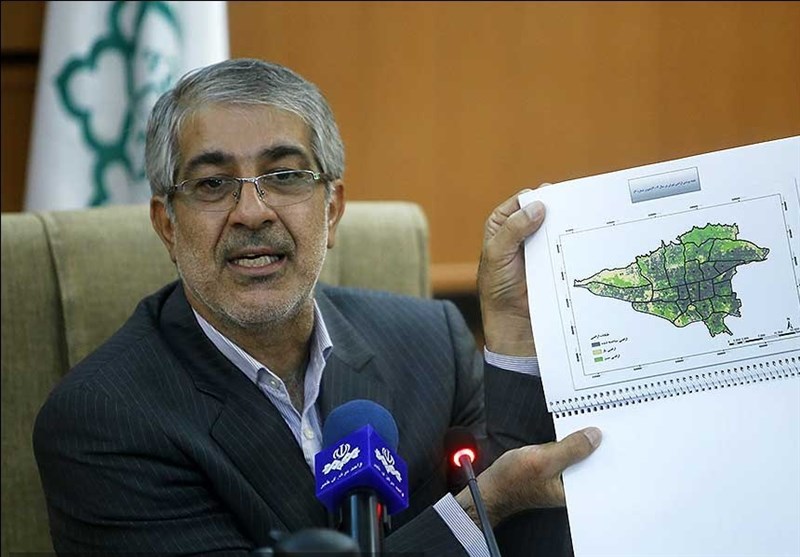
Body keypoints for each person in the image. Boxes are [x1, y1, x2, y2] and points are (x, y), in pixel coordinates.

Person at [33, 58, 600, 556]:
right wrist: (480, 510)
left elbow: (529, 540)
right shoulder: (102, 419)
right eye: (211, 184)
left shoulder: (431, 343)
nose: (252, 212)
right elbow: (496, 504)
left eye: (284, 176)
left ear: (331, 212)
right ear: (167, 226)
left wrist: (514, 337)